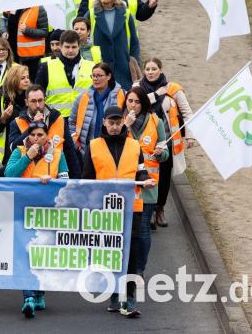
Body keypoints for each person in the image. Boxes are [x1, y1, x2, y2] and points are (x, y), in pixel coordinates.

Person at [81, 105, 154, 317]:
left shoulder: (134, 145)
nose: (114, 127)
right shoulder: (94, 146)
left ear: (123, 123)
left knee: (130, 251)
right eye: (111, 123)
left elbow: (140, 172)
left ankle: (129, 297)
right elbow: (87, 178)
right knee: (110, 253)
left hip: (132, 206)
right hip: (105, 209)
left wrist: (145, 181)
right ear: (104, 123)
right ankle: (114, 293)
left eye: (118, 123)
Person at [4, 120, 68, 317]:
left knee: (42, 253)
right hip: (23, 210)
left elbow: (66, 181)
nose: (36, 139)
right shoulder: (19, 152)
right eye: (32, 135)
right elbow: (8, 175)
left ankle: (40, 292)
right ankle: (28, 297)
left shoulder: (58, 154)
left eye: (40, 135)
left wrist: (52, 182)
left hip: (48, 212)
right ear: (27, 137)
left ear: (47, 136)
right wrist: (28, 158)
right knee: (25, 253)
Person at [135, 57, 195, 228]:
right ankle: (147, 209)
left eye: (154, 69)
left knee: (164, 178)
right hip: (143, 143)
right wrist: (156, 95)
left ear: (161, 70)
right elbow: (134, 103)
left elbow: (187, 113)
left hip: (166, 142)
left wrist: (190, 136)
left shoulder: (173, 89)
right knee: (145, 175)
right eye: (147, 69)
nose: (151, 72)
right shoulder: (137, 88)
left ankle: (159, 209)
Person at [124, 86, 168, 275]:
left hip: (148, 185)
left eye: (137, 102)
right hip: (125, 183)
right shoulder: (119, 120)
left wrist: (161, 153)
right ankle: (125, 267)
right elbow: (108, 141)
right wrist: (125, 125)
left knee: (142, 230)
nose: (133, 105)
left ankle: (139, 269)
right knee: (125, 230)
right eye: (130, 101)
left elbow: (165, 152)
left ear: (144, 103)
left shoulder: (155, 121)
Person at [70, 61, 127, 159]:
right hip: (86, 151)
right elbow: (71, 121)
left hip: (114, 149)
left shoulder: (122, 95)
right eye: (93, 76)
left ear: (108, 76)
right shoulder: (83, 97)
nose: (95, 79)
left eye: (99, 76)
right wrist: (75, 141)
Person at [89, 0, 139, 90]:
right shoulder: (92, 13)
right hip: (100, 64)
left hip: (122, 65)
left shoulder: (125, 13)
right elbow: (83, 35)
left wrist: (134, 61)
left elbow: (134, 41)